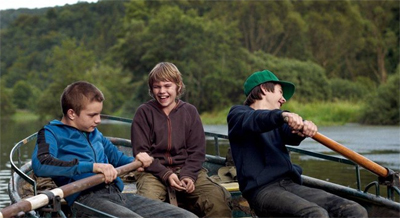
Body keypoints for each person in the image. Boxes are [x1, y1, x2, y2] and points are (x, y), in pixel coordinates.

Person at [31, 81, 197, 218]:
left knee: (188, 217)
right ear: (72, 114)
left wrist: (137, 162)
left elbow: (118, 159)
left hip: (116, 195)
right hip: (85, 199)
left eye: (99, 114)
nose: (98, 121)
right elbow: (41, 164)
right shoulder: (50, 133)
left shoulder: (95, 134)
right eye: (92, 115)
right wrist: (93, 167)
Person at [227, 70, 368, 217]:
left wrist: (304, 127)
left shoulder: (279, 120)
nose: (283, 99)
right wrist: (283, 115)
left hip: (290, 185)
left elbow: (291, 135)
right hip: (262, 191)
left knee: (353, 210)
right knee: (316, 214)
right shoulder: (238, 114)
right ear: (263, 88)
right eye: (280, 92)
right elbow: (258, 120)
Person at [131, 62, 232, 217]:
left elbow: (197, 152)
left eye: (167, 86)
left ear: (178, 86)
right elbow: (141, 153)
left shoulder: (190, 112)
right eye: (157, 87)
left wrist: (188, 176)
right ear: (151, 89)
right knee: (145, 205)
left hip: (187, 169)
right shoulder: (144, 112)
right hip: (153, 172)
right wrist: (166, 174)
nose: (162, 91)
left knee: (217, 201)